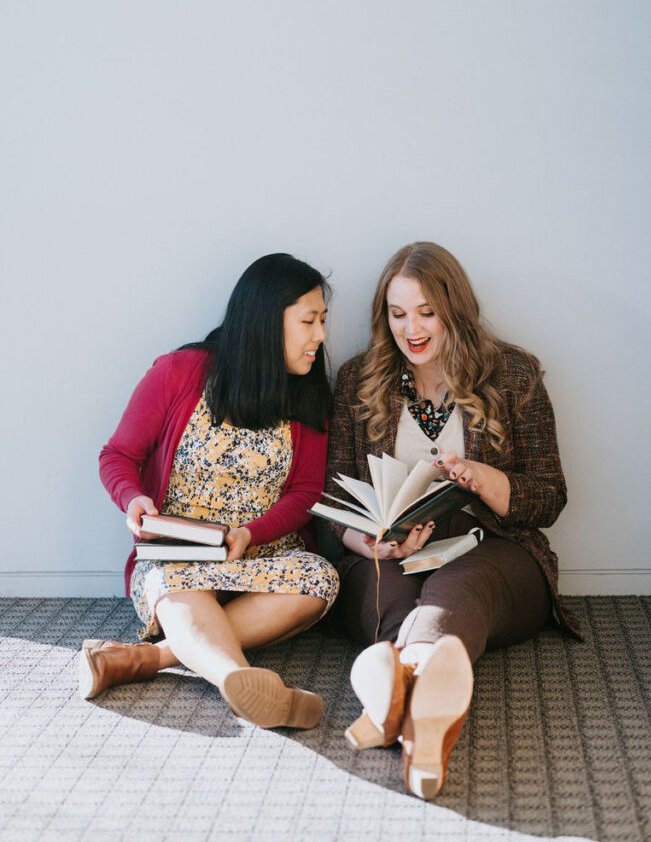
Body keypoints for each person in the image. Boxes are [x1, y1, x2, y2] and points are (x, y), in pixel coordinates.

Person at [324, 242, 579, 798]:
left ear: (453, 309)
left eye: (425, 312)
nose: (410, 328)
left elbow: (551, 496)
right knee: (384, 599)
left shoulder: (513, 374)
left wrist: (483, 478)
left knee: (453, 590)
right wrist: (368, 542)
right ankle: (426, 728)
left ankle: (390, 710)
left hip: (495, 548)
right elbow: (332, 499)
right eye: (396, 314)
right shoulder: (358, 380)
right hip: (390, 551)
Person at [80, 253, 339, 730]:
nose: (320, 336)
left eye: (323, 320)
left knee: (320, 579)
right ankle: (237, 678)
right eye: (308, 321)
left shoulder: (308, 393)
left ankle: (148, 659)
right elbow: (117, 455)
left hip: (258, 554)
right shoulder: (179, 372)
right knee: (177, 582)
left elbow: (305, 493)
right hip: (177, 557)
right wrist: (132, 500)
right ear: (265, 322)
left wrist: (250, 534)